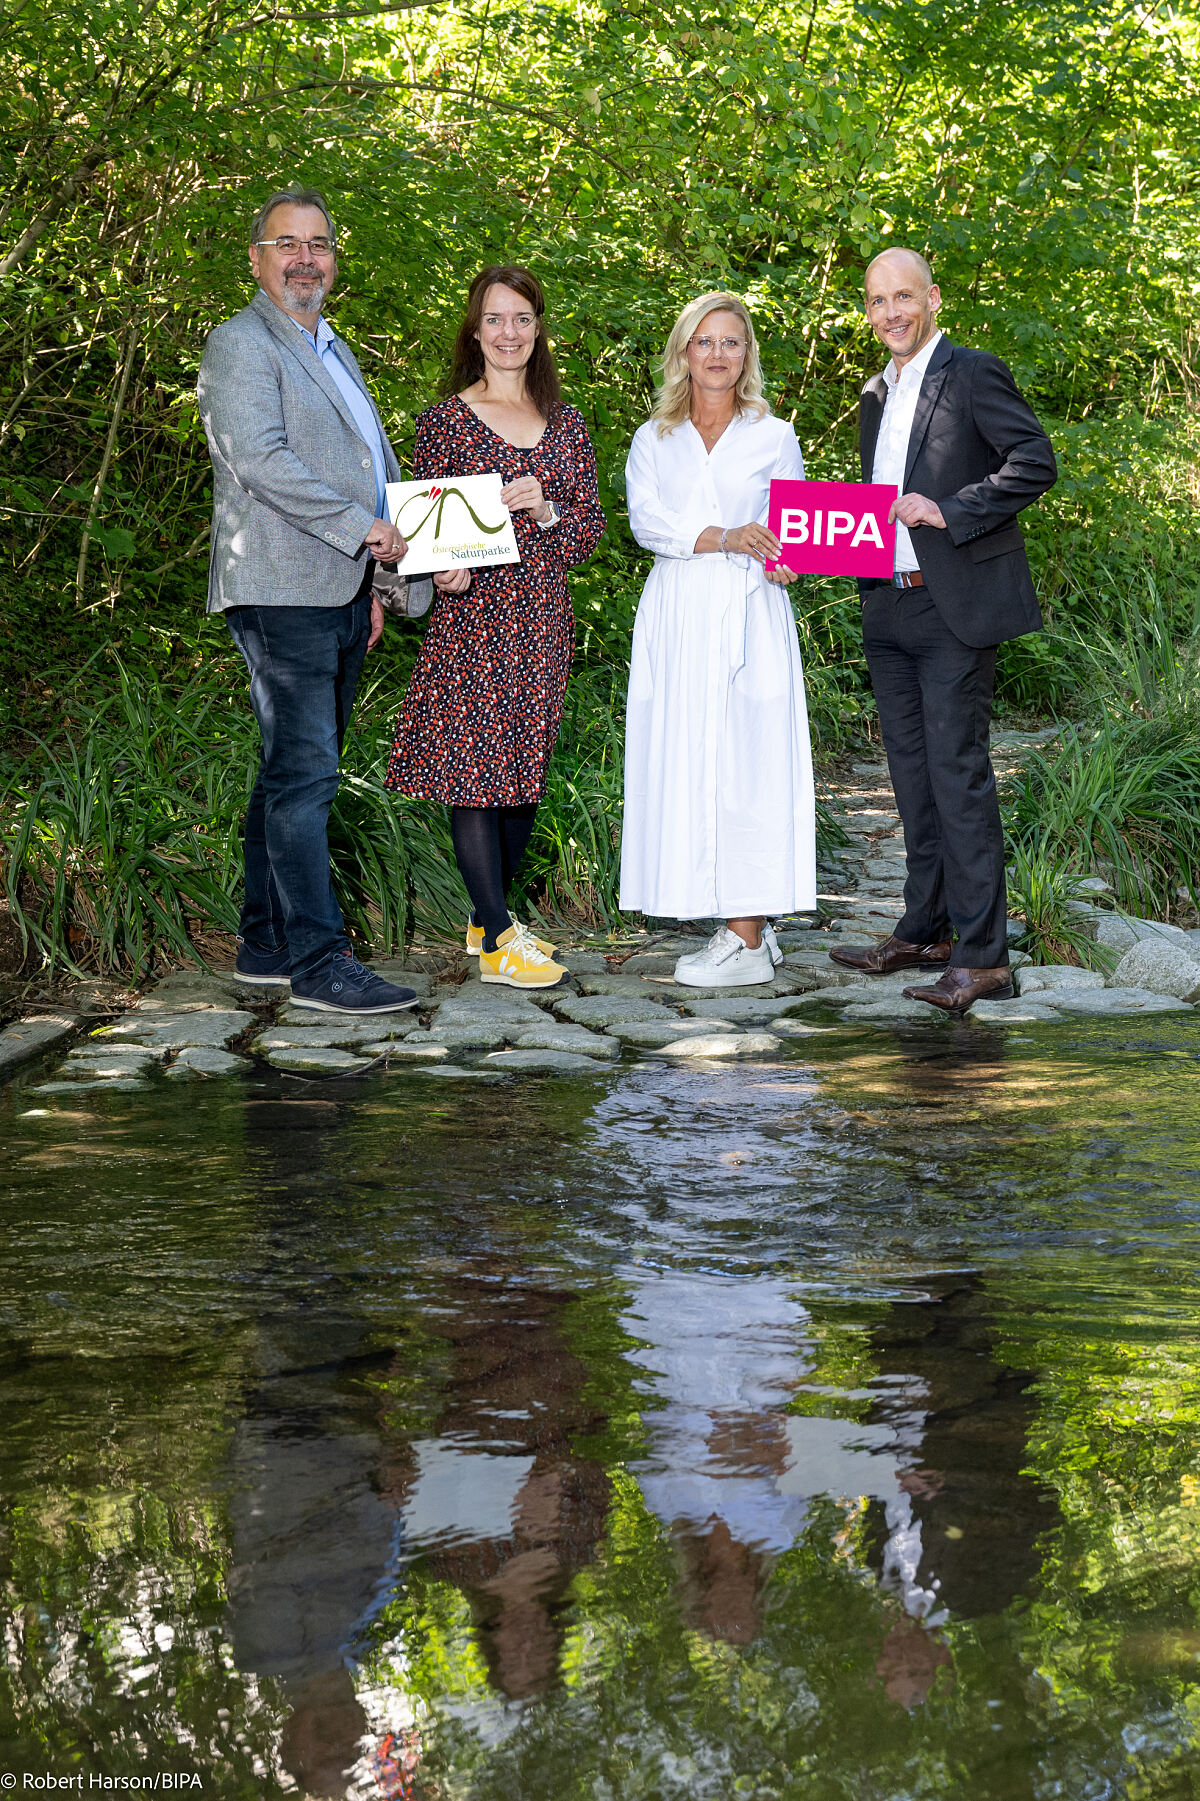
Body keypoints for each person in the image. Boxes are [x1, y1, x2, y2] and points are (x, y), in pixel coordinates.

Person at [198, 187, 422, 1015]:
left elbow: (374, 467)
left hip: (337, 590)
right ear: (257, 259)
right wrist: (363, 533)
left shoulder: (332, 348)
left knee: (284, 777)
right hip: (279, 586)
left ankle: (264, 944)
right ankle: (320, 962)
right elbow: (259, 459)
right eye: (286, 243)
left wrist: (382, 578)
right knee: (307, 781)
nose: (305, 258)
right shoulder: (239, 343)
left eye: (319, 244)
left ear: (334, 259)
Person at [829, 248, 1057, 1013]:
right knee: (912, 779)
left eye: (902, 296)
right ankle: (924, 930)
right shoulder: (872, 392)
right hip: (886, 604)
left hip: (953, 602)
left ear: (930, 298)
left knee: (958, 775)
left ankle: (983, 956)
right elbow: (873, 502)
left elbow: (1035, 459)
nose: (890, 312)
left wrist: (950, 509)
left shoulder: (972, 372)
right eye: (876, 301)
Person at [386, 265, 605, 989]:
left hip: (541, 620)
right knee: (474, 774)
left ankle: (488, 920)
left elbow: (588, 535)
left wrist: (547, 508)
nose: (508, 333)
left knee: (520, 780)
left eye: (521, 319)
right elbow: (421, 533)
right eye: (494, 319)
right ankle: (500, 936)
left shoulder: (566, 425)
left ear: (538, 330)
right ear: (474, 331)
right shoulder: (444, 421)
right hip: (474, 620)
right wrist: (437, 568)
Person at [620, 291, 816, 986]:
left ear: (747, 354)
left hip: (749, 612)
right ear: (683, 351)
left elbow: (790, 533)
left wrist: (785, 556)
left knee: (749, 763)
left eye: (731, 342)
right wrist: (724, 535)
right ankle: (737, 923)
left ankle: (749, 936)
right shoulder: (654, 438)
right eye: (704, 341)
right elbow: (646, 522)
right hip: (676, 611)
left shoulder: (774, 434)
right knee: (689, 759)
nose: (717, 354)